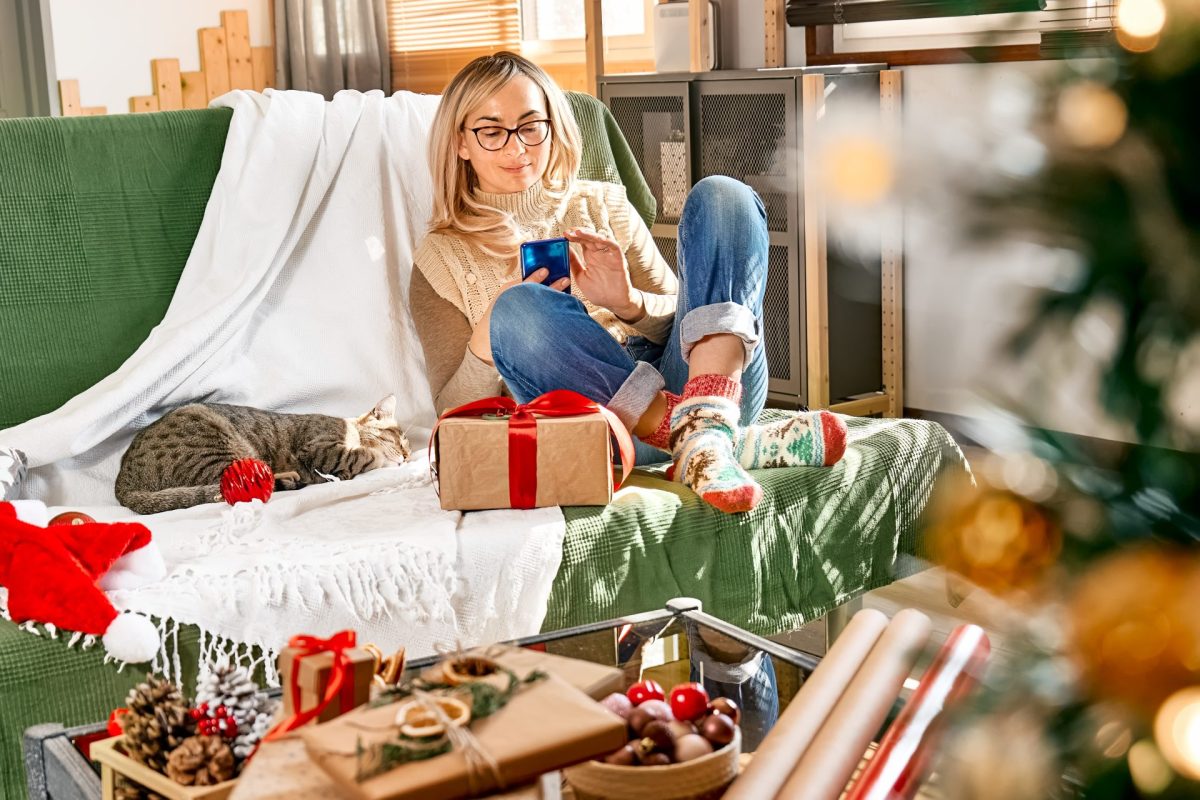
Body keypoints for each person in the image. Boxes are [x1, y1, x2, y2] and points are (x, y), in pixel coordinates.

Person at [411, 51, 847, 515]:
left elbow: (696, 319)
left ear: (552, 126)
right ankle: (706, 442)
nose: (517, 148)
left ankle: (701, 429)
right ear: (461, 142)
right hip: (591, 421)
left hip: (702, 382)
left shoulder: (604, 205)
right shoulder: (439, 257)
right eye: (493, 132)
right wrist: (488, 335)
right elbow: (450, 410)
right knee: (519, 308)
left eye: (530, 126)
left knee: (725, 196)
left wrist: (630, 304)